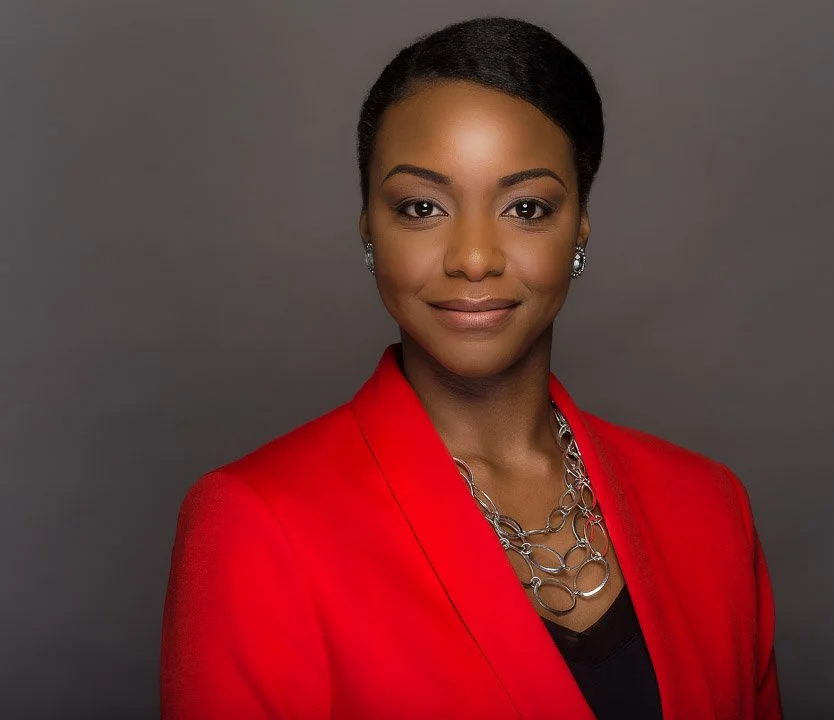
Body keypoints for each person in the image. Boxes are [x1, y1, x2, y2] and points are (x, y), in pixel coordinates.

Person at [160, 16, 782, 720]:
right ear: (369, 224)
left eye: (527, 207)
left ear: (579, 224)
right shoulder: (255, 525)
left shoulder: (709, 508)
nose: (476, 258)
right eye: (422, 207)